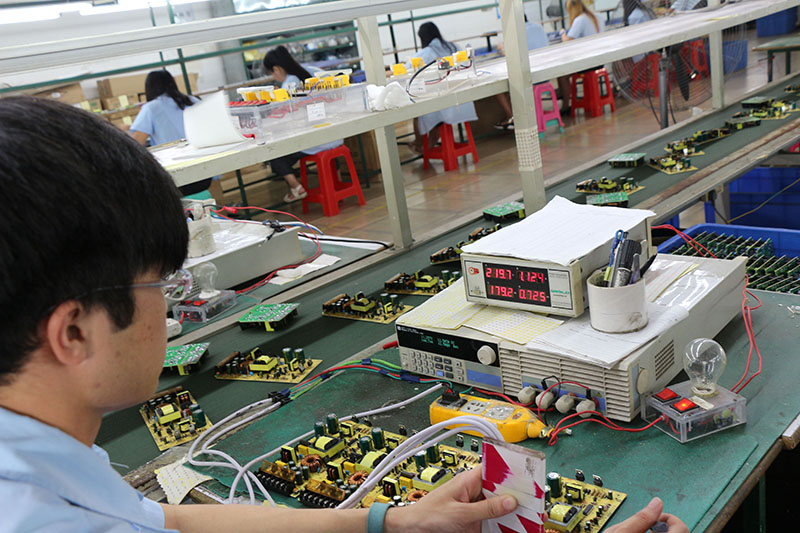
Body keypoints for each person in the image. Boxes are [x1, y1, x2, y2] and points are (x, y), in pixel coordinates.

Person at [0, 97, 689, 533]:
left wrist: (389, 521)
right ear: (73, 332)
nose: (173, 308)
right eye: (162, 284)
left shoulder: (36, 460)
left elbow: (163, 517)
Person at [262, 45, 345, 203]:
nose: (273, 76)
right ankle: (337, 183)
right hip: (335, 134)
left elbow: (288, 117)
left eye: (272, 73)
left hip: (315, 141)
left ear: (276, 69)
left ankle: (297, 188)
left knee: (274, 155)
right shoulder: (311, 70)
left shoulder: (289, 84)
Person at [130, 70, 216, 197]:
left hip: (176, 175)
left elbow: (136, 143)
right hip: (204, 171)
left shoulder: (151, 108)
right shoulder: (192, 100)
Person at [409, 22, 478, 154]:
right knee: (434, 112)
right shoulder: (453, 46)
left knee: (419, 113)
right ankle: (425, 145)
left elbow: (409, 67)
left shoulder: (427, 52)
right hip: (461, 98)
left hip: (443, 101)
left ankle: (421, 145)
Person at [494, 14, 550, 130]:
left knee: (498, 87)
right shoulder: (538, 27)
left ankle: (513, 118)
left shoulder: (515, 33)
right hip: (546, 74)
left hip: (530, 78)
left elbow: (511, 55)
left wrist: (501, 48)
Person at [557, 0, 605, 115]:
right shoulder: (598, 17)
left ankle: (566, 106)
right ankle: (563, 95)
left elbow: (567, 41)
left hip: (588, 64)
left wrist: (562, 33)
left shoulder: (580, 20)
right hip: (601, 61)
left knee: (562, 75)